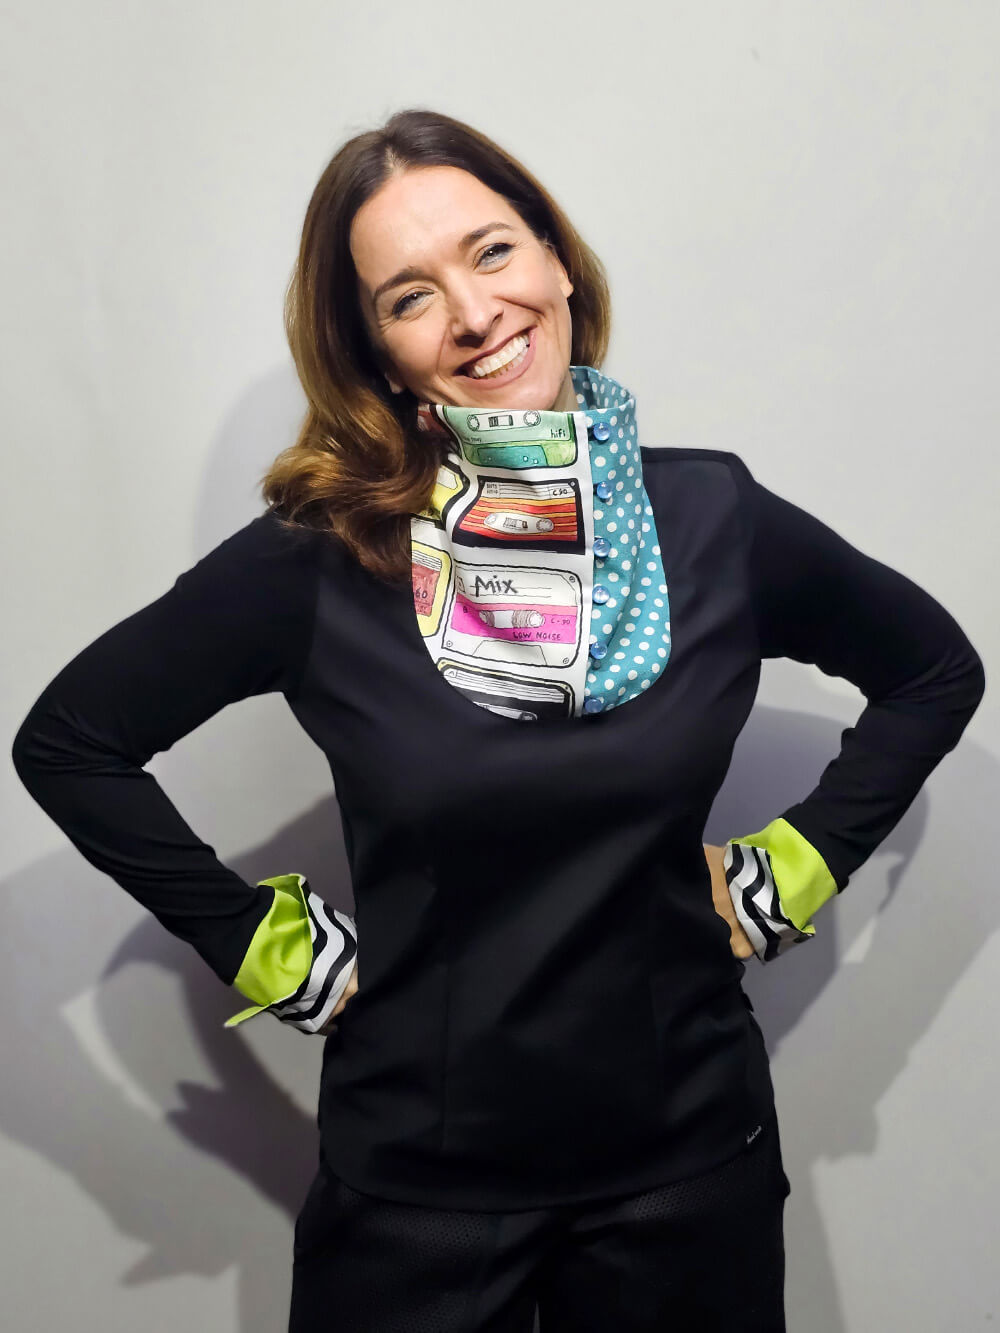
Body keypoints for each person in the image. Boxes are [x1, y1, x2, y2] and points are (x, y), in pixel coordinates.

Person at [11, 107, 985, 1332]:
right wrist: (270, 952)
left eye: (491, 251)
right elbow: (69, 743)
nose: (474, 313)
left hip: (689, 1175)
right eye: (409, 297)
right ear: (378, 354)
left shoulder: (711, 518)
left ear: (557, 262)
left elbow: (931, 670)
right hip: (417, 1200)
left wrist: (785, 873)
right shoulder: (320, 560)